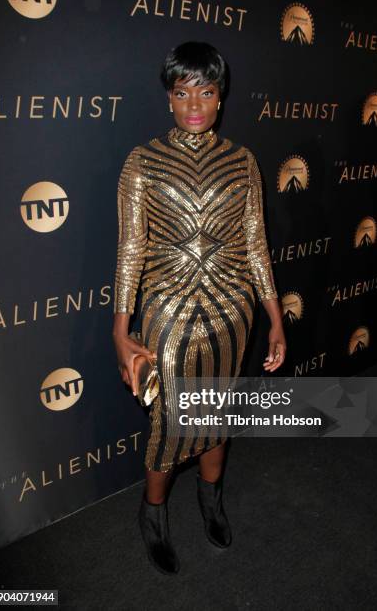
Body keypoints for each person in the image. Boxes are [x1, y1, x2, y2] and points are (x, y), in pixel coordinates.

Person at [112, 41, 286, 575]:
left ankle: (211, 499)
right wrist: (121, 332)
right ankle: (153, 513)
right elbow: (130, 252)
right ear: (169, 99)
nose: (193, 104)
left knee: (217, 416)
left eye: (205, 92)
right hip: (168, 319)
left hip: (233, 316)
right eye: (182, 92)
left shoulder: (243, 162)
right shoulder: (142, 162)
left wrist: (276, 320)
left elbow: (256, 245)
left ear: (220, 99)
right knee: (169, 422)